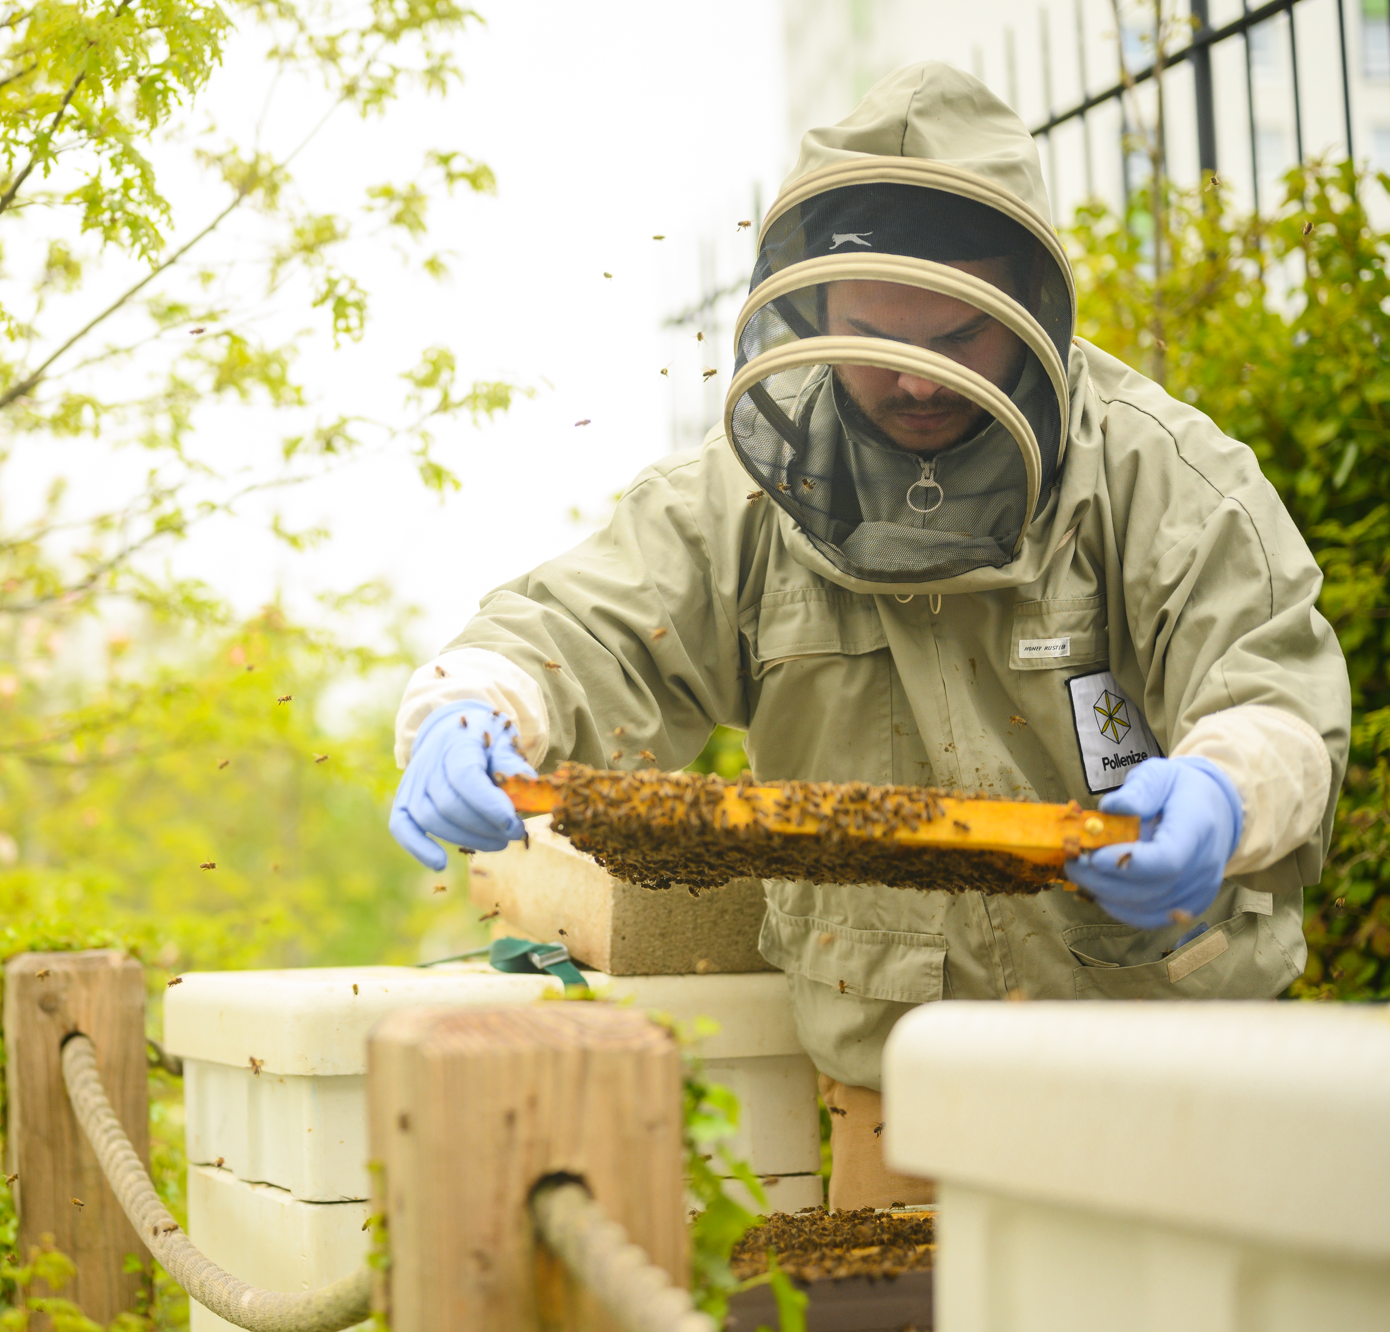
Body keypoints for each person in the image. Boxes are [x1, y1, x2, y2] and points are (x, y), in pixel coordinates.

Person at [386, 63, 1349, 1210]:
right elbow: (578, 626)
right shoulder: (736, 501)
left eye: (952, 337)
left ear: (1026, 310)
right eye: (870, 338)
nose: (909, 377)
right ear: (809, 304)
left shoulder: (1159, 474)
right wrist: (474, 703)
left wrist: (1227, 791)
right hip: (899, 1094)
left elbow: (1273, 695)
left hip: (1172, 1072)